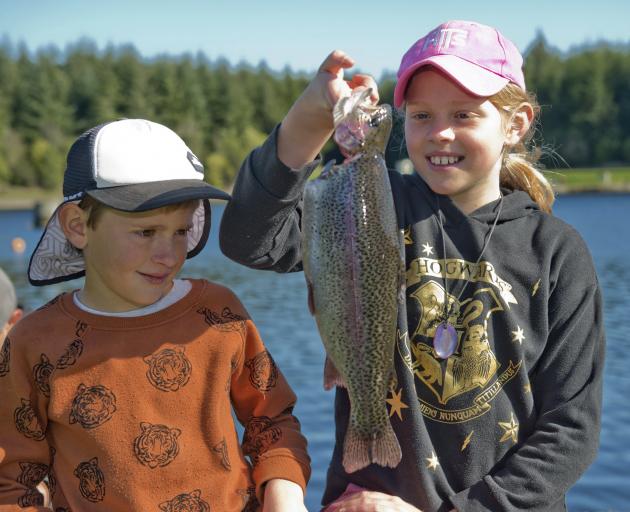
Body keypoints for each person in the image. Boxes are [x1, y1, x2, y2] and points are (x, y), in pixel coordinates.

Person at [219, 20, 605, 512]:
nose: (440, 132)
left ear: (516, 123)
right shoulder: (373, 203)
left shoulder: (557, 253)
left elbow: (571, 431)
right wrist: (307, 122)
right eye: (421, 115)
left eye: (464, 114)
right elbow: (249, 241)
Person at [0, 119, 310, 511]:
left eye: (181, 231)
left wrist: (286, 496)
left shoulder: (218, 313)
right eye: (146, 233)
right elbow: (12, 481)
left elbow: (273, 421)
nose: (169, 255)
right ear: (78, 227)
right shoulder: (33, 342)